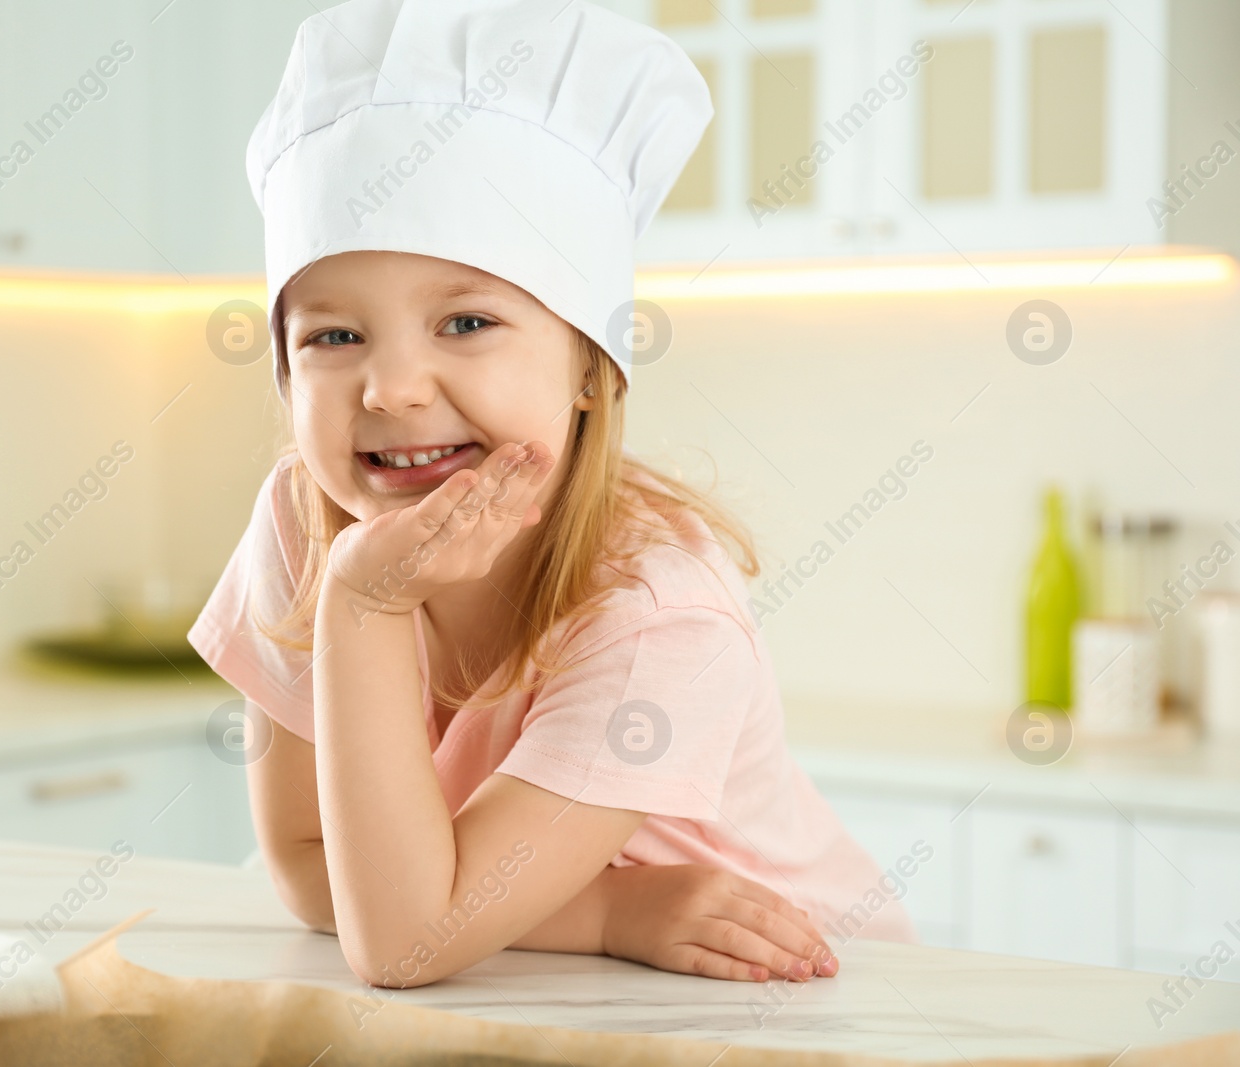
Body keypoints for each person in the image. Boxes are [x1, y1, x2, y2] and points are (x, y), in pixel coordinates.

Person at [188, 0, 914, 991]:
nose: (392, 387)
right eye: (332, 336)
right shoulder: (298, 524)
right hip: (563, 982)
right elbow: (314, 868)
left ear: (588, 366)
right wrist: (609, 910)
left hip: (787, 999)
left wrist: (365, 605)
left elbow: (402, 942)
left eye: (466, 321)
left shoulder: (656, 614)